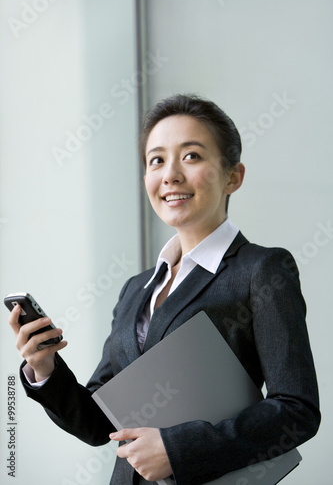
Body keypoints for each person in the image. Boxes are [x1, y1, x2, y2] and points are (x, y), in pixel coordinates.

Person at [9, 94, 320, 485]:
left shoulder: (262, 269)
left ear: (233, 176)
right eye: (156, 160)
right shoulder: (136, 290)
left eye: (191, 156)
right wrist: (45, 368)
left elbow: (296, 409)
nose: (170, 175)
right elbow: (99, 424)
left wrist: (177, 449)